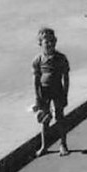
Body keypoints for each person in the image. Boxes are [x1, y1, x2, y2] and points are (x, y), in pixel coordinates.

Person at [31, 26, 71, 156]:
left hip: (57, 90)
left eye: (52, 41)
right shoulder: (38, 60)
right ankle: (44, 146)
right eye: (46, 42)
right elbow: (36, 80)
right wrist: (37, 97)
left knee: (59, 117)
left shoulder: (61, 58)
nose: (49, 44)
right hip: (44, 92)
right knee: (45, 120)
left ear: (56, 41)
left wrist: (65, 94)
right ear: (40, 44)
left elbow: (65, 77)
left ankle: (63, 144)